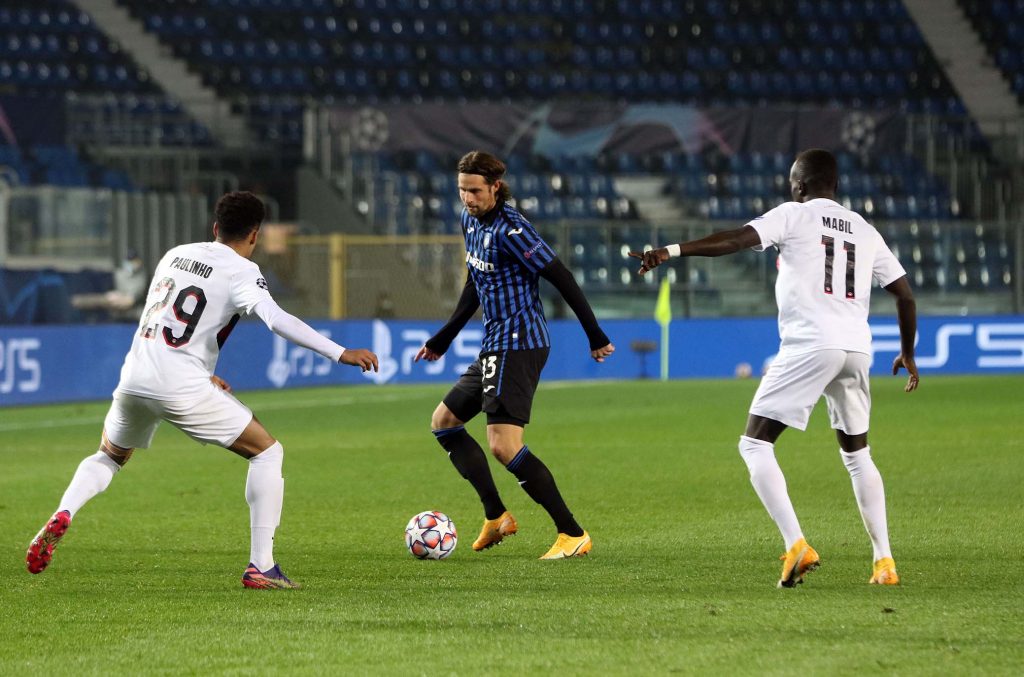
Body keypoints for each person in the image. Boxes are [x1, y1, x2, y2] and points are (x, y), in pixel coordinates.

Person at [26, 191, 379, 589]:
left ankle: (65, 510)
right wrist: (339, 352)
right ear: (254, 235)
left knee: (108, 455)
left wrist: (204, 372)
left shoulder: (174, 255)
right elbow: (276, 319)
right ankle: (261, 567)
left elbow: (163, 320)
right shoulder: (242, 271)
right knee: (267, 452)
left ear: (215, 227)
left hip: (136, 376)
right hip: (180, 385)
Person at [630, 148, 919, 588]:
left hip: (811, 343)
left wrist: (671, 251)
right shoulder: (864, 229)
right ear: (836, 186)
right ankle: (884, 562)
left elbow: (735, 240)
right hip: (858, 348)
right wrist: (908, 352)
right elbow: (905, 295)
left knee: (755, 444)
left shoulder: (794, 214)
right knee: (858, 455)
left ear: (799, 185)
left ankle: (796, 544)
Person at [415, 151, 615, 559]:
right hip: (495, 343)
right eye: (462, 190)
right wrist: (443, 338)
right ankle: (496, 515)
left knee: (504, 445)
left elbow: (561, 275)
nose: (468, 198)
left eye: (475, 191)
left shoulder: (513, 230)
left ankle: (572, 533)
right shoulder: (469, 220)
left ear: (495, 187)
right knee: (445, 422)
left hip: (520, 343)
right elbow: (475, 281)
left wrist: (594, 335)